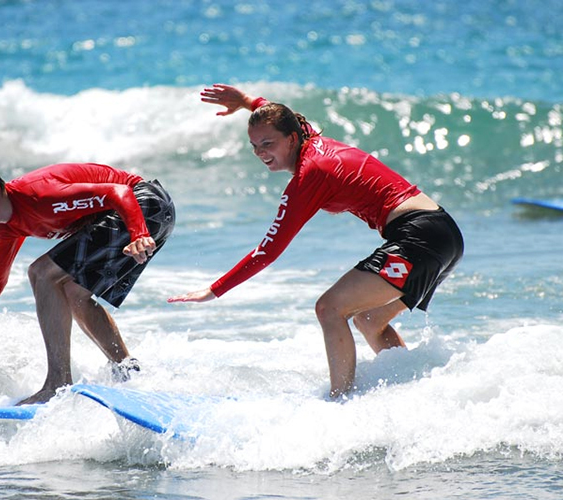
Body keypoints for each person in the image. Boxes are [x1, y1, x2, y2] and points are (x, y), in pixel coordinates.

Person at [168, 84, 463, 399]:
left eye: (268, 143)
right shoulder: (306, 137)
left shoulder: (311, 174)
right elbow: (284, 117)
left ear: (291, 139)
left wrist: (214, 290)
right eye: (254, 145)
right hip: (442, 235)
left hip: (419, 239)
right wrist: (247, 102)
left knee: (329, 308)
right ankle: (415, 391)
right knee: (368, 319)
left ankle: (339, 402)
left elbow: (267, 252)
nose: (261, 153)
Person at [0, 159, 175, 405]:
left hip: (145, 204)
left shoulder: (40, 196)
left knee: (42, 272)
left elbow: (118, 192)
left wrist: (138, 233)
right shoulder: (6, 227)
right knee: (74, 293)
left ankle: (57, 384)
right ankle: (127, 371)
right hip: (136, 214)